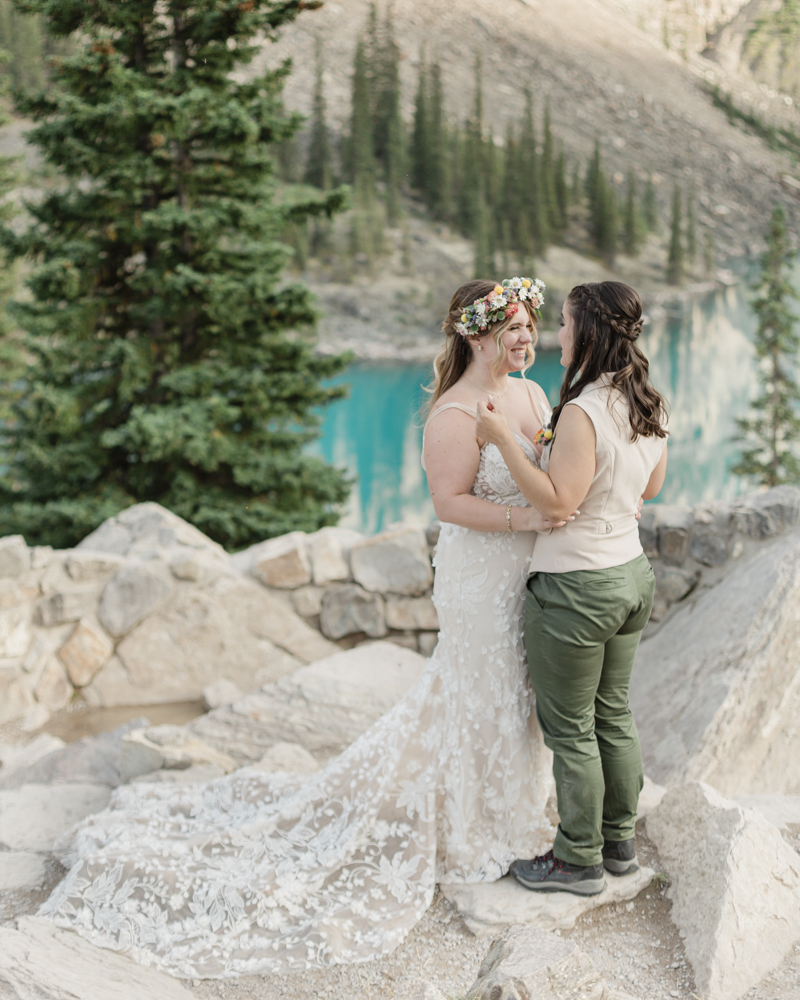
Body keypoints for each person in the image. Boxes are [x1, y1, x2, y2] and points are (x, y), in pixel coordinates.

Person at [39, 278, 562, 979]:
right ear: (474, 333)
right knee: (482, 692)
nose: (527, 337)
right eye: (513, 327)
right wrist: (525, 519)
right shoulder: (453, 413)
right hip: (480, 579)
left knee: (519, 695)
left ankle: (518, 814)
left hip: (527, 573)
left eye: (530, 325)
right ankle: (478, 834)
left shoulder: (531, 394)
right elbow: (450, 504)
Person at [475, 280, 668, 897]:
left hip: (579, 587)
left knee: (571, 729)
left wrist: (505, 440)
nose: (555, 334)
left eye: (561, 323)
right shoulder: (647, 401)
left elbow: (559, 501)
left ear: (587, 331)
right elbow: (653, 487)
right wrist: (612, 500)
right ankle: (618, 845)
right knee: (613, 713)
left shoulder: (583, 410)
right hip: (632, 576)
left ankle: (576, 859)